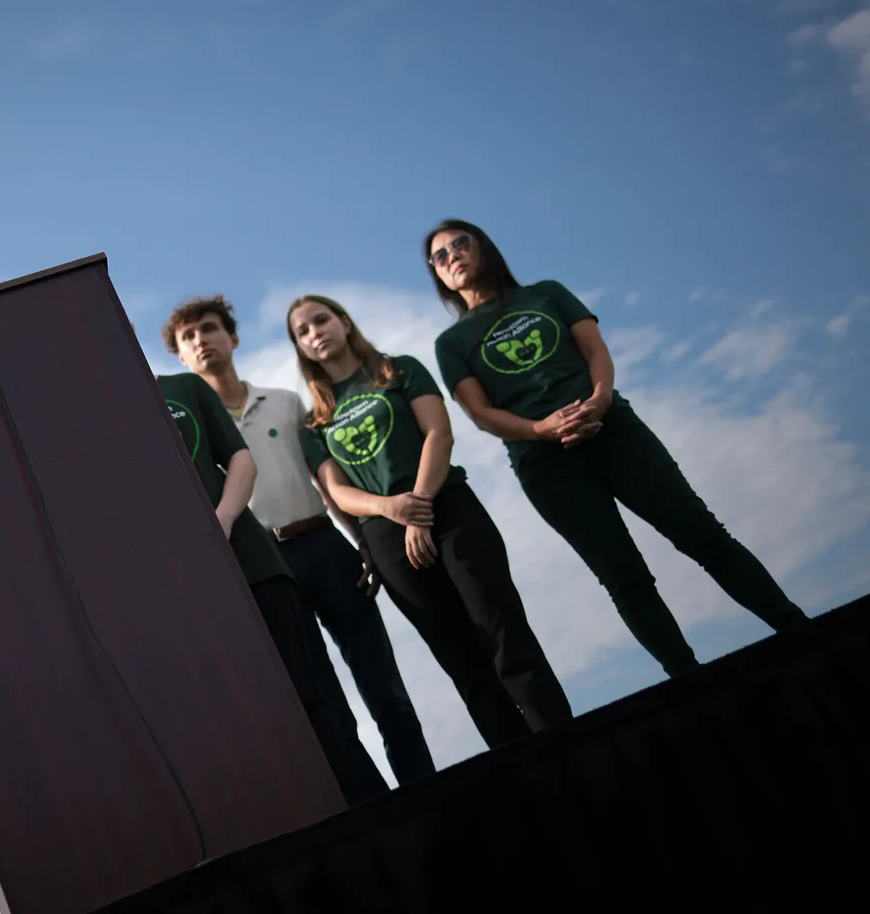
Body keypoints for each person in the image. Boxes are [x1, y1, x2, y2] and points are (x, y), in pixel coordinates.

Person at [424, 219, 809, 676]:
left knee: (703, 535)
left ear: (482, 247)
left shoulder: (546, 294)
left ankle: (800, 630)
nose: (453, 257)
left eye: (460, 244)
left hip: (614, 429)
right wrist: (540, 429)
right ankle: (689, 679)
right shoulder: (451, 343)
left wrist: (601, 399)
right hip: (545, 463)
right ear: (438, 274)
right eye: (440, 256)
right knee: (625, 578)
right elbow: (481, 414)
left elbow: (595, 351)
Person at [163, 295, 436, 785]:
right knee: (324, 700)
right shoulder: (183, 422)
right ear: (179, 357)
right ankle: (374, 805)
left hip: (323, 548)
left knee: (383, 685)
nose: (201, 341)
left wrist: (361, 542)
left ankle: (424, 786)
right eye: (188, 338)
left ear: (233, 337)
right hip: (267, 566)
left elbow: (325, 482)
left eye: (209, 329)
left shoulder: (286, 403)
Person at [288, 295, 572, 748]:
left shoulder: (397, 370)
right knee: (462, 662)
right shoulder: (314, 423)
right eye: (302, 332)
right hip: (385, 534)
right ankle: (527, 772)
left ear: (344, 321)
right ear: (300, 348)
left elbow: (439, 433)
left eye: (320, 320)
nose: (314, 333)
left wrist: (416, 507)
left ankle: (568, 746)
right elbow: (336, 491)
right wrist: (389, 510)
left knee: (504, 635)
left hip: (447, 504)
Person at [155, 367, 389, 805]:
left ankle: (371, 807)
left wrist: (220, 520)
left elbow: (241, 459)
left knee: (315, 695)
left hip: (254, 561)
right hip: (188, 588)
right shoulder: (90, 418)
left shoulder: (183, 387)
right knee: (258, 715)